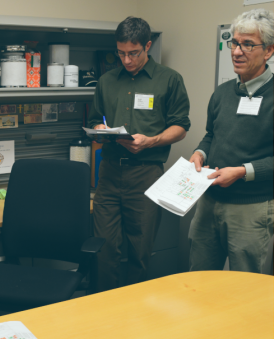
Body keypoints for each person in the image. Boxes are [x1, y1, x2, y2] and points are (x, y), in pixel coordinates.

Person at [88, 16, 190, 291]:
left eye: (133, 53)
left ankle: (135, 317)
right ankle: (105, 309)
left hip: (146, 174)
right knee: (104, 250)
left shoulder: (169, 80)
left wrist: (150, 141)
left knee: (140, 250)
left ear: (147, 46)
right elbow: (96, 119)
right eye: (121, 53)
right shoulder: (107, 81)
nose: (127, 60)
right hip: (108, 172)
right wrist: (100, 128)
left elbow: (181, 127)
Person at [188, 9, 273, 273]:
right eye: (234, 43)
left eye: (248, 44)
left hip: (252, 208)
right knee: (198, 281)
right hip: (209, 202)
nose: (237, 51)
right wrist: (200, 152)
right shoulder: (223, 92)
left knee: (246, 291)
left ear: (269, 51)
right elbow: (211, 134)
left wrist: (242, 172)